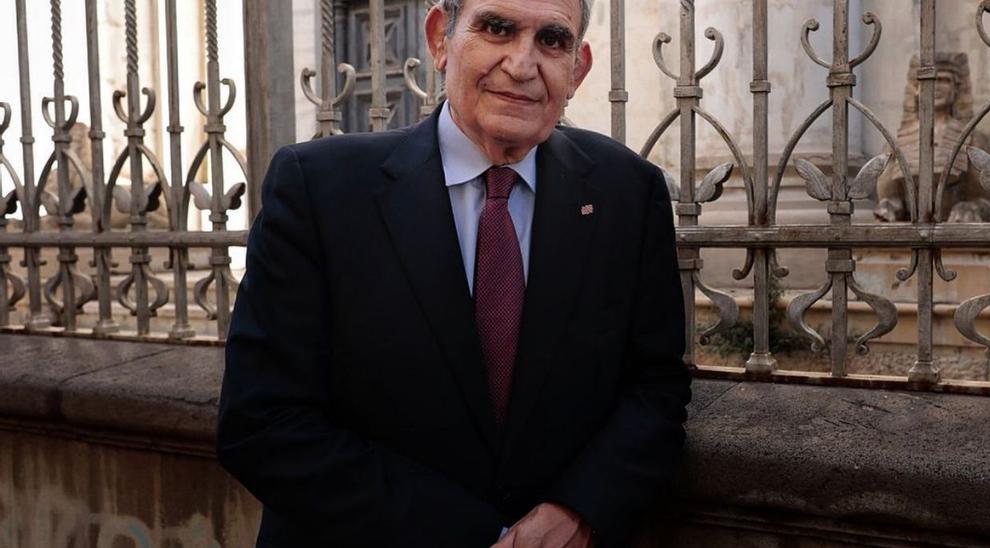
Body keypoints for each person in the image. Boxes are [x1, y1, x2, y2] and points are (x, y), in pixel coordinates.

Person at [215, 0, 691, 546]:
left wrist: (580, 510)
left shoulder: (627, 191)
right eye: (496, 28)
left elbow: (655, 388)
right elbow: (262, 420)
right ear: (440, 38)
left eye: (552, 40)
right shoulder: (319, 189)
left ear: (577, 70)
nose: (521, 63)